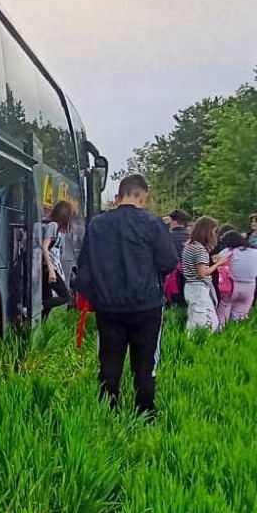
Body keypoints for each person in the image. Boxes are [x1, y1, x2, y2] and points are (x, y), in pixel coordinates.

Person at [72, 174, 178, 419]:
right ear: (142, 195)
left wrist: (97, 297)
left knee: (109, 362)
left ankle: (106, 412)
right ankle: (145, 414)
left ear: (119, 195)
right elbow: (169, 261)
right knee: (145, 365)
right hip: (146, 306)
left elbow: (84, 268)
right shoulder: (153, 224)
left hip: (108, 307)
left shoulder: (97, 225)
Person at [182, 217, 228, 332]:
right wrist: (219, 264)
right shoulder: (200, 249)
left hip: (191, 286)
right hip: (198, 288)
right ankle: (195, 343)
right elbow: (203, 273)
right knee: (198, 321)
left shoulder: (190, 246)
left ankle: (200, 343)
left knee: (209, 320)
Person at [216, 230, 257, 325]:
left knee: (223, 313)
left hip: (231, 286)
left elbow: (217, 264)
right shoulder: (255, 252)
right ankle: (237, 334)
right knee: (241, 315)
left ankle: (221, 333)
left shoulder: (227, 251)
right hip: (249, 287)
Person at [37, 201, 73, 317]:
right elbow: (44, 246)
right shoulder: (53, 225)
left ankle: (39, 328)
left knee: (48, 300)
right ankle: (38, 306)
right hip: (48, 269)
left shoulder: (50, 225)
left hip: (45, 268)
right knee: (65, 296)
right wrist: (51, 269)